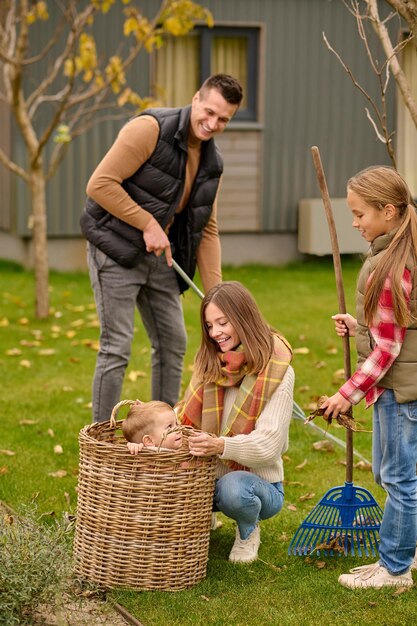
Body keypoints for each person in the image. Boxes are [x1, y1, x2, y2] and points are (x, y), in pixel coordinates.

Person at [80, 74, 243, 423]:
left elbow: (207, 228)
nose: (212, 124)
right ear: (196, 98)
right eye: (209, 112)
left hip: (160, 260)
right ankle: (101, 437)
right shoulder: (150, 129)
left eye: (223, 119)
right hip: (116, 250)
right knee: (117, 346)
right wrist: (147, 223)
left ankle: (160, 435)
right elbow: (99, 184)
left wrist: (216, 294)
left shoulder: (213, 163)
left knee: (173, 343)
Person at [320, 166, 417, 589]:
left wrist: (346, 394)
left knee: (399, 478)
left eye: (360, 214)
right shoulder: (397, 251)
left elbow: (388, 350)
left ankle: (395, 568)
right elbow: (394, 327)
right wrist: (359, 325)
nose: (355, 223)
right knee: (392, 474)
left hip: (399, 390)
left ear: (390, 211)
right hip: (398, 386)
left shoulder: (394, 266)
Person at [175, 281, 294, 564]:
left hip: (258, 484)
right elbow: (186, 417)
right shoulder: (210, 362)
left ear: (243, 318)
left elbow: (268, 445)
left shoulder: (277, 371)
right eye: (209, 326)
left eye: (223, 323)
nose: (215, 333)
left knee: (234, 489)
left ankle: (248, 530)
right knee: (168, 475)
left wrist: (219, 445)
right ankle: (203, 513)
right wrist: (156, 419)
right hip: (206, 477)